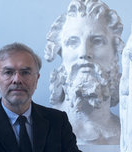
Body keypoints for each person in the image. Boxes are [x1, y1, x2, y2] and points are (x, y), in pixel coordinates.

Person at [44, 0, 124, 144]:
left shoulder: (126, 133)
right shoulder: (45, 131)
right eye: (73, 42)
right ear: (60, 52)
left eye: (97, 41)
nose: (84, 53)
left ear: (115, 52)